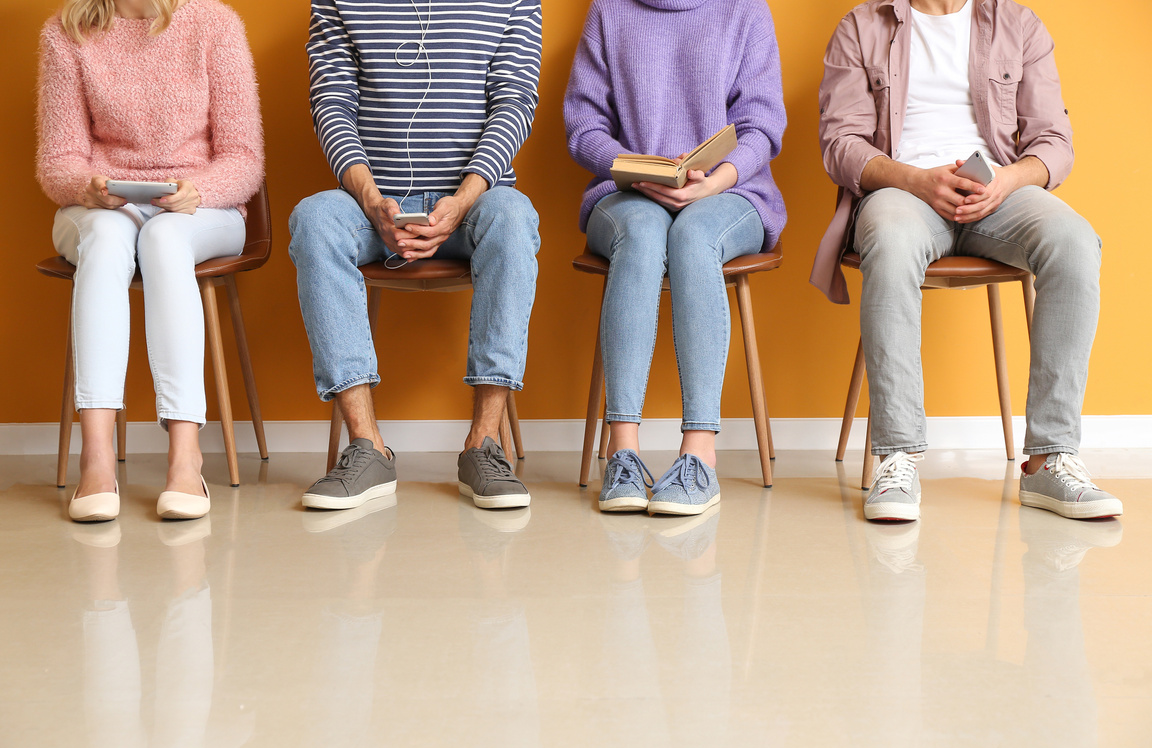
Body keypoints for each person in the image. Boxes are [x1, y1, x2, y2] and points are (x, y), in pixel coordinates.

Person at [811, 0, 1122, 522]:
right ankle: (897, 457)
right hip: (902, 192)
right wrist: (916, 179)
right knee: (887, 238)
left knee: (1074, 241)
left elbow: (1055, 141)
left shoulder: (1018, 25)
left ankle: (1049, 458)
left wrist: (1007, 179)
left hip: (996, 194)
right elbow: (840, 144)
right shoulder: (862, 26)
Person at [290, 0, 542, 512]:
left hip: (476, 202)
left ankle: (484, 445)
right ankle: (367, 447)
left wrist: (464, 199)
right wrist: (371, 200)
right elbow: (331, 102)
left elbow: (514, 102)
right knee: (313, 219)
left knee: (515, 217)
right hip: (371, 203)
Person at [36, 0, 264, 522]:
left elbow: (243, 157)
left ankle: (186, 456)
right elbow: (58, 161)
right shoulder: (66, 32)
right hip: (102, 205)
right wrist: (87, 188)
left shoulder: (213, 23)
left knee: (164, 241)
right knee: (107, 240)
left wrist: (198, 191)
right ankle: (95, 460)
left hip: (201, 206)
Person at [564, 0, 786, 516]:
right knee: (640, 237)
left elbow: (761, 125)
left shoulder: (745, 10)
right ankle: (622, 453)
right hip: (627, 193)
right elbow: (583, 126)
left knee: (693, 237)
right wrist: (632, 170)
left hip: (733, 191)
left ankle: (699, 455)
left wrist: (717, 180)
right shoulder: (608, 11)